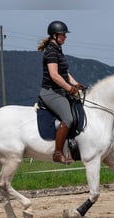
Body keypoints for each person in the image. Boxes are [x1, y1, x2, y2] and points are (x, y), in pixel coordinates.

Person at [38, 20, 84, 164]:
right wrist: (70, 89)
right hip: (50, 92)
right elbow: (54, 75)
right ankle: (58, 153)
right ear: (55, 35)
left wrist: (76, 84)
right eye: (63, 34)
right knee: (69, 118)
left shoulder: (58, 50)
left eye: (64, 34)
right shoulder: (51, 52)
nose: (65, 37)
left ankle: (72, 149)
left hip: (60, 90)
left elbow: (64, 72)